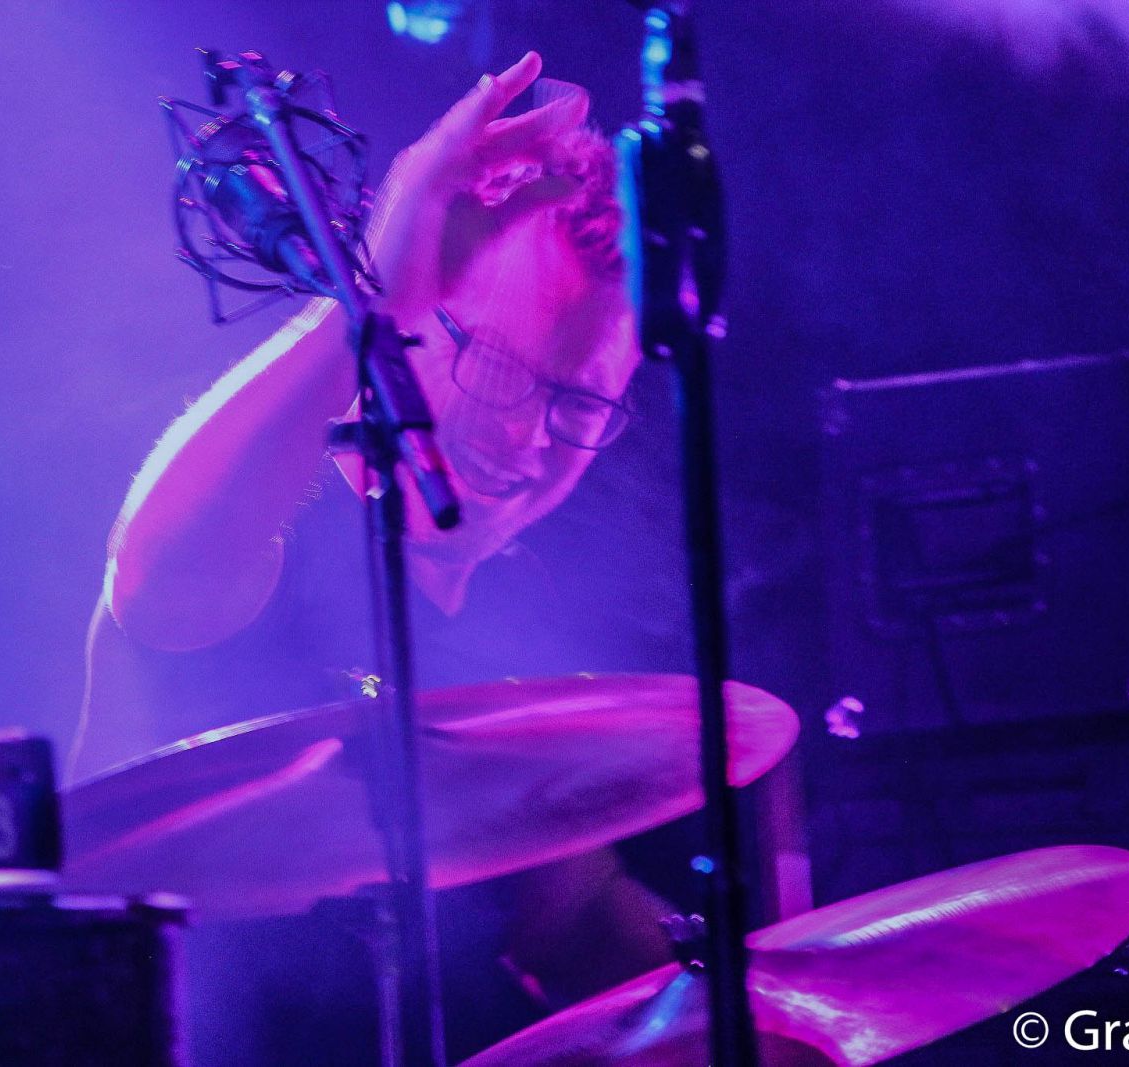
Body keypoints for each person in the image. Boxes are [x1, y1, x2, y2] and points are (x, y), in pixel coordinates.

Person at [69, 53, 681, 1062]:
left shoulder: (511, 610)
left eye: (577, 405)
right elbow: (161, 558)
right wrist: (368, 304)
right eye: (499, 367)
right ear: (409, 328)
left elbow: (570, 919)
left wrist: (766, 1002)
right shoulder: (277, 535)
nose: (529, 438)